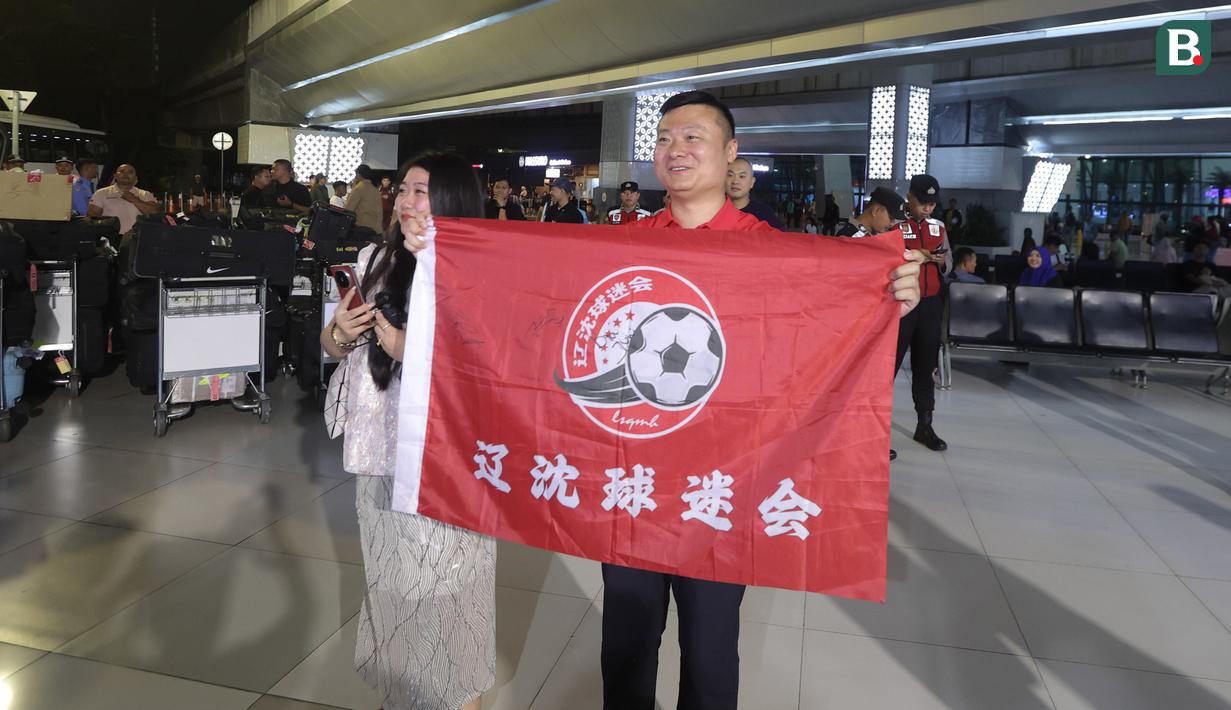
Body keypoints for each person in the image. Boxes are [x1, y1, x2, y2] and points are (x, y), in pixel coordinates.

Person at [399, 90, 922, 710]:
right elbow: (532, 304)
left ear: (730, 153)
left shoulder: (769, 250)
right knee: (625, 648)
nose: (677, 150)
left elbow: (820, 342)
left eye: (694, 137)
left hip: (720, 494)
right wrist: (445, 262)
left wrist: (887, 295)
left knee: (708, 655)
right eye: (666, 138)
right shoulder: (622, 246)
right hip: (632, 486)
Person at [322, 152, 495, 710]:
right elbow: (331, 345)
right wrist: (340, 334)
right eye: (403, 191)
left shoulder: (476, 271)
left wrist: (406, 349)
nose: (405, 202)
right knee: (392, 587)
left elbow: (489, 370)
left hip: (447, 465)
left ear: (452, 202)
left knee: (449, 596)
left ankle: (457, 696)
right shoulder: (374, 257)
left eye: (422, 192)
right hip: (376, 450)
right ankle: (402, 695)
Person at [895, 173, 952, 461]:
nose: (927, 209)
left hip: (930, 304)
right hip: (901, 305)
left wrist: (940, 262)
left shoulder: (938, 227)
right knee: (887, 368)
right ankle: (875, 429)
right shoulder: (895, 224)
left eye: (932, 204)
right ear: (910, 197)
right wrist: (912, 255)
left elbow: (948, 264)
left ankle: (925, 426)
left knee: (925, 366)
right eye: (923, 203)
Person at [86, 163, 160, 233]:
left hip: (138, 239)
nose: (126, 174)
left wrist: (135, 200)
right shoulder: (101, 193)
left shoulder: (145, 194)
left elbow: (155, 214)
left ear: (136, 178)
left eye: (130, 172)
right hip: (111, 239)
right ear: (115, 176)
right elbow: (92, 219)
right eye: (122, 171)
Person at [726, 158, 784, 229]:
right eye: (730, 175)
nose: (735, 181)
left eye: (742, 176)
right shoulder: (713, 212)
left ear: (752, 182)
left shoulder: (764, 214)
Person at [834, 186, 906, 238]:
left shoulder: (867, 236)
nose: (892, 224)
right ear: (876, 211)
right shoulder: (851, 238)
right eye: (891, 218)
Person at [346, 164, 384, 233]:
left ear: (359, 174)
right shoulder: (375, 190)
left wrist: (353, 187)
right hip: (376, 229)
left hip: (362, 228)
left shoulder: (359, 188)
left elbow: (349, 209)